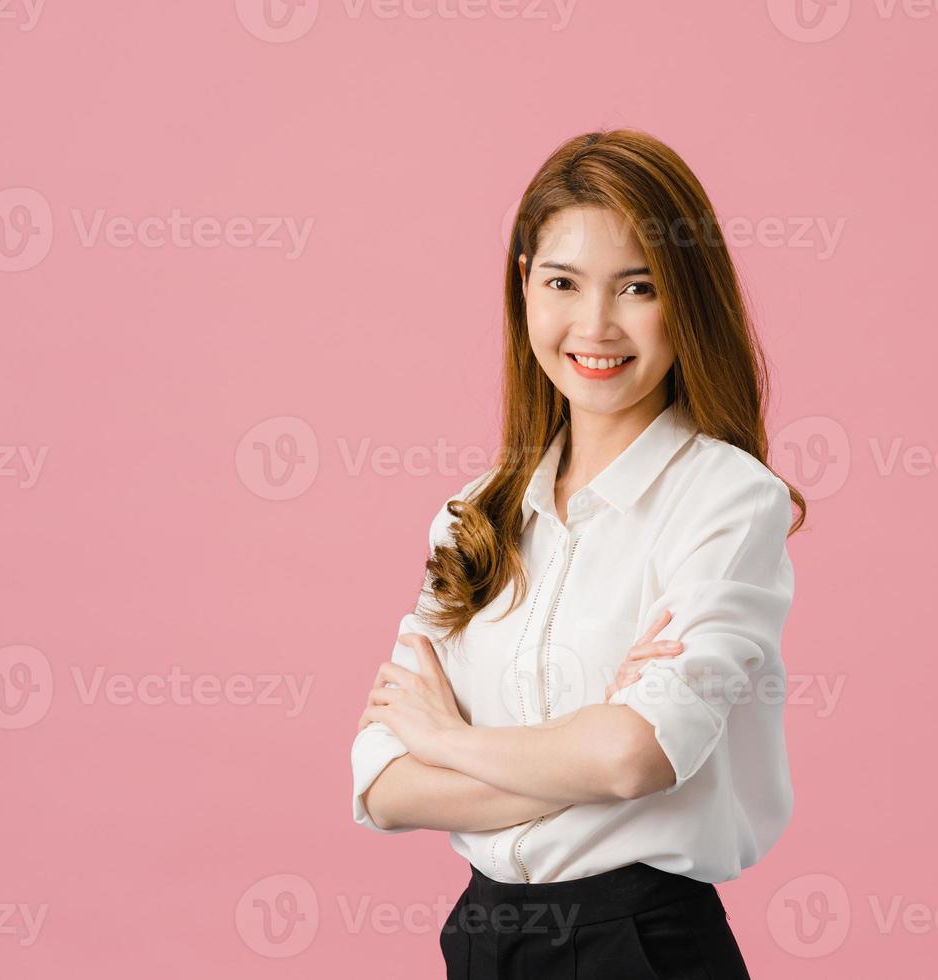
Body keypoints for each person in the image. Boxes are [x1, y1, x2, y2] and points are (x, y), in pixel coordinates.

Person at [352, 128, 807, 978]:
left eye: (638, 287)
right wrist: (584, 749)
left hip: (639, 941)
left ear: (687, 297)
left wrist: (446, 739)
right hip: (485, 942)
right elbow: (381, 784)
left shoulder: (727, 501)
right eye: (563, 282)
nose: (595, 326)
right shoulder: (472, 514)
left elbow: (635, 758)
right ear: (524, 284)